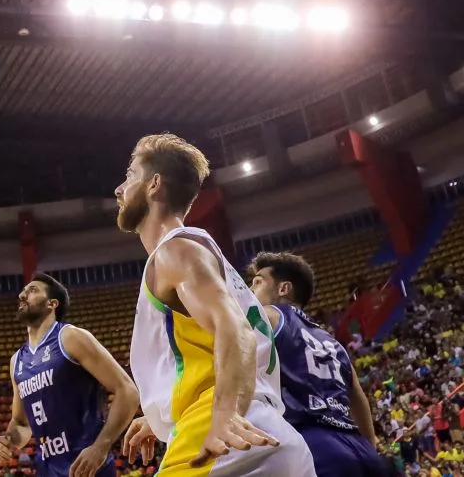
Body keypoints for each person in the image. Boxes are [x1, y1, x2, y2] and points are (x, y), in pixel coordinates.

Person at [116, 133, 316, 477]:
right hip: (273, 435)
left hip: (224, 438)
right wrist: (160, 417)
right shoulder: (207, 258)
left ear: (154, 185)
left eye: (131, 176)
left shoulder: (176, 251)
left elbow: (235, 329)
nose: (120, 190)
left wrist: (224, 412)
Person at [247, 252, 389, 477]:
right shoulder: (330, 340)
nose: (250, 290)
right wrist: (369, 446)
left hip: (314, 445)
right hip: (358, 447)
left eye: (257, 282)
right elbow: (359, 399)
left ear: (283, 289)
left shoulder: (267, 315)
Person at [0, 273, 139, 477]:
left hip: (87, 466)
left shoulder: (70, 337)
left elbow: (127, 391)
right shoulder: (17, 361)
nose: (22, 295)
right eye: (23, 291)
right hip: (48, 469)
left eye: (32, 290)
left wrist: (101, 446)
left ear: (52, 304)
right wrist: (8, 439)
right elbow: (22, 424)